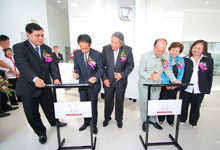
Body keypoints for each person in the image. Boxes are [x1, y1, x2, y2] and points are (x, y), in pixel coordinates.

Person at [13, 23, 67, 144]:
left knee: (50, 106)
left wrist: (56, 78)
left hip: (46, 85)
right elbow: (23, 66)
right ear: (28, 35)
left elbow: (52, 65)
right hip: (29, 85)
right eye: (37, 35)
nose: (40, 38)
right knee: (32, 113)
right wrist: (35, 79)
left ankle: (54, 121)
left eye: (42, 35)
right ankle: (41, 132)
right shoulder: (20, 48)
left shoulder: (46, 49)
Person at [138, 38, 181, 131]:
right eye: (158, 51)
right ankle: (145, 120)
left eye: (162, 51)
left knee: (154, 102)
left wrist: (174, 80)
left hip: (157, 84)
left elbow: (167, 69)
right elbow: (141, 71)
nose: (160, 53)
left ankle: (153, 120)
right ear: (154, 47)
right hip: (145, 83)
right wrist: (150, 76)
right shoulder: (145, 56)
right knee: (144, 102)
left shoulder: (165, 56)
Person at [102, 32, 134, 128]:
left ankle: (119, 119)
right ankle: (107, 118)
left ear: (121, 43)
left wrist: (122, 75)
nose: (113, 44)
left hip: (121, 81)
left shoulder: (127, 50)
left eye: (116, 43)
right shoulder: (105, 49)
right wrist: (104, 79)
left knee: (120, 101)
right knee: (108, 100)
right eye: (112, 41)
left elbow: (130, 65)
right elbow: (101, 65)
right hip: (108, 80)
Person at [73, 34, 103, 134]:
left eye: (86, 48)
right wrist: (76, 73)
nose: (84, 50)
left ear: (90, 45)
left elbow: (101, 69)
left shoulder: (96, 54)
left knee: (93, 105)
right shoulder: (77, 54)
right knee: (84, 104)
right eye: (82, 48)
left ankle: (94, 125)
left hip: (94, 85)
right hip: (82, 84)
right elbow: (76, 67)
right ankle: (86, 122)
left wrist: (95, 77)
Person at [180, 40, 213, 128]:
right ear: (191, 48)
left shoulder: (208, 60)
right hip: (186, 87)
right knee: (183, 105)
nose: (196, 50)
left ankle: (193, 122)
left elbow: (209, 76)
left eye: (199, 48)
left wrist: (207, 88)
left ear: (203, 50)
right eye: (194, 48)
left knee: (196, 106)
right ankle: (182, 119)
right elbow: (180, 73)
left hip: (199, 87)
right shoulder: (185, 59)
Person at [158, 42, 185, 127]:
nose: (174, 52)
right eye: (173, 50)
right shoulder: (164, 58)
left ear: (179, 52)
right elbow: (163, 72)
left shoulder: (180, 60)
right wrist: (167, 84)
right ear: (169, 49)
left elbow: (181, 73)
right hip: (164, 84)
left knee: (172, 102)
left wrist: (176, 84)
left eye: (177, 51)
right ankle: (161, 118)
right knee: (163, 101)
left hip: (175, 85)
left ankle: (170, 120)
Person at [0, 35, 18, 117]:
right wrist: (9, 68)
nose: (9, 44)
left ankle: (5, 106)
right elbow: (0, 62)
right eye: (8, 42)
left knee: (3, 91)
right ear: (3, 42)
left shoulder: (2, 50)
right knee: (2, 91)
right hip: (2, 72)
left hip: (3, 72)